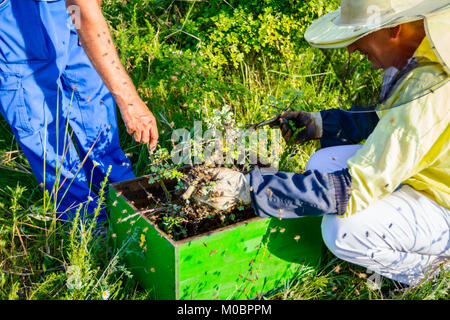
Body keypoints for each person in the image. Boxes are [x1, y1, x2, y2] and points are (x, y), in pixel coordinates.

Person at [195, 0, 450, 286]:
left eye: (361, 34)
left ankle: (437, 275)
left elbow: (353, 189)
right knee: (322, 163)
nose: (352, 48)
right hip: (430, 179)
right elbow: (388, 121)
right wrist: (321, 123)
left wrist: (248, 189)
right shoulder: (425, 53)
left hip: (444, 208)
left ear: (395, 28)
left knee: (342, 229)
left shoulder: (434, 84)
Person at [0, 0, 158, 220]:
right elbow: (84, 10)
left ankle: (125, 200)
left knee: (92, 100)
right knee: (39, 119)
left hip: (64, 8)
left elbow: (86, 10)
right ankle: (86, 222)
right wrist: (130, 103)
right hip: (12, 15)